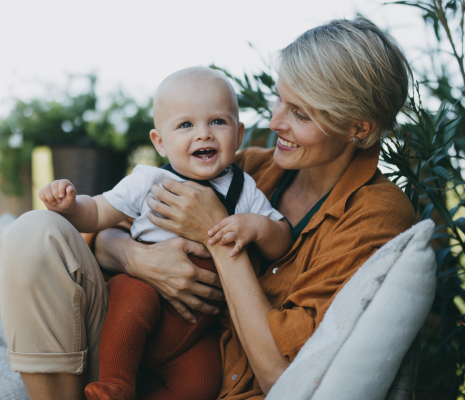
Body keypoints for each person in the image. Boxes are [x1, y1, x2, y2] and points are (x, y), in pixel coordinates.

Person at [0, 17, 415, 400]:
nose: (275, 123)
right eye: (279, 101)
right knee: (34, 233)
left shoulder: (373, 215)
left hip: (208, 368)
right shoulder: (251, 166)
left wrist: (217, 236)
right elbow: (98, 233)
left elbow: (284, 375)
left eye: (299, 113)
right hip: (133, 328)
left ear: (358, 128)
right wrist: (140, 259)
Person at [30, 67, 291, 400]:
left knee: (203, 382)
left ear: (238, 135)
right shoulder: (148, 182)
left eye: (217, 122)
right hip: (146, 295)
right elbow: (98, 212)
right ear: (160, 142)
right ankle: (116, 384)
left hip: (195, 331)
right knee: (131, 297)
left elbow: (282, 239)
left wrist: (256, 227)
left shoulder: (243, 189)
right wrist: (70, 206)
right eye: (186, 125)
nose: (204, 135)